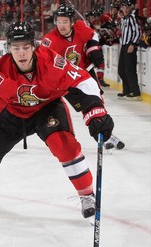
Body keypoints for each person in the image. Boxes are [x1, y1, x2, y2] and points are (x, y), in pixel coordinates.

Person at [0, 21, 114, 218]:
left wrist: (95, 111)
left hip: (46, 108)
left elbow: (82, 80)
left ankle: (86, 195)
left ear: (34, 46)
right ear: (8, 49)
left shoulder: (51, 62)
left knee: (64, 145)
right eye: (16, 48)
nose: (21, 53)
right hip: (12, 116)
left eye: (25, 47)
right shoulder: (1, 72)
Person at [42, 4, 124, 150]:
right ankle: (100, 132)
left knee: (98, 100)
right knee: (87, 107)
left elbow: (93, 35)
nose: (61, 25)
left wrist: (93, 48)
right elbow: (42, 60)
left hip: (85, 73)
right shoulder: (50, 40)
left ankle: (106, 132)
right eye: (59, 21)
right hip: (67, 81)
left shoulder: (80, 27)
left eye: (65, 22)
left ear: (72, 22)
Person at [117, 0, 142, 101]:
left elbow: (137, 32)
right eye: (124, 7)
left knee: (129, 69)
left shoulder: (132, 17)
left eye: (127, 7)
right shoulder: (124, 19)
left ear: (130, 7)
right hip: (124, 45)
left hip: (130, 45)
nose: (125, 9)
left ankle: (135, 92)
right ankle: (127, 90)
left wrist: (133, 44)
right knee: (121, 69)